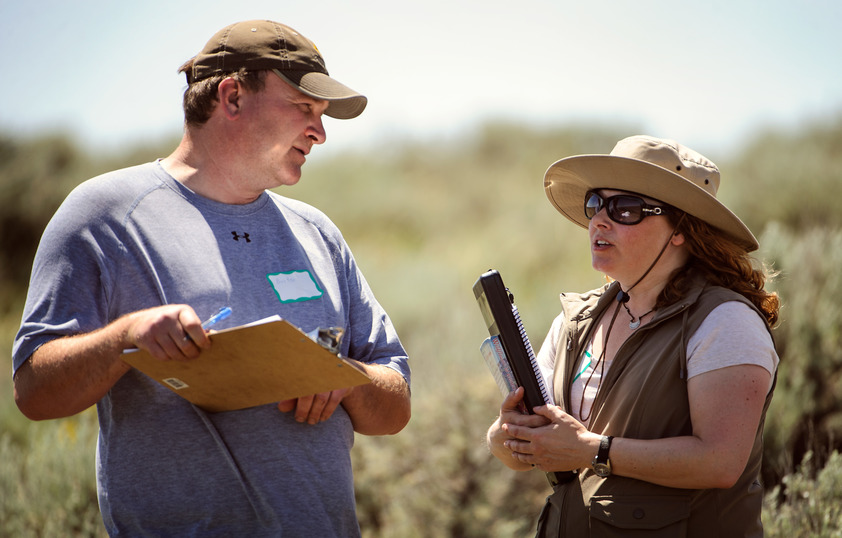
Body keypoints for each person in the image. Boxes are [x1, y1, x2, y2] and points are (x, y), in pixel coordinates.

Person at [13, 20, 411, 536]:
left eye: (322, 115)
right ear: (232, 96)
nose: (320, 131)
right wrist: (126, 337)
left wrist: (344, 378)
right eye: (304, 108)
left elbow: (396, 403)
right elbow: (34, 391)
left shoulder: (318, 233)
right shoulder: (104, 215)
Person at [486, 135, 779, 536]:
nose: (599, 221)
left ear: (680, 228)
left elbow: (720, 461)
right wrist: (511, 436)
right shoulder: (575, 321)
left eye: (625, 208)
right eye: (595, 204)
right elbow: (520, 450)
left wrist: (592, 450)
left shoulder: (724, 321)